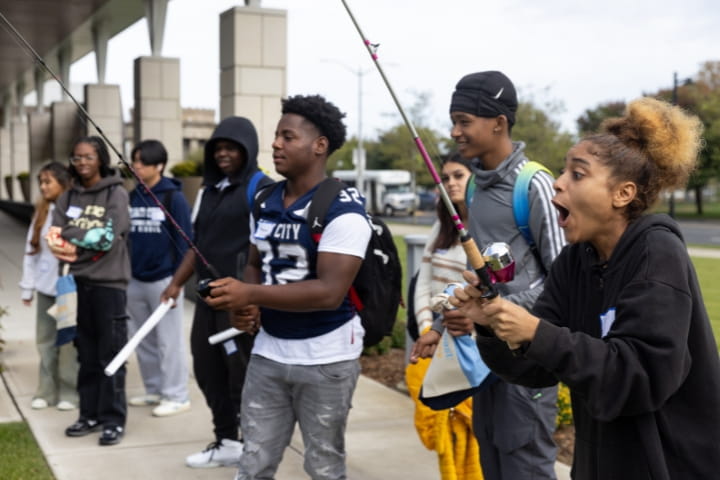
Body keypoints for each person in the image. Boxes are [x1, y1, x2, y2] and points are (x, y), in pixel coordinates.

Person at [450, 97, 720, 479]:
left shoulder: (657, 252)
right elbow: (535, 368)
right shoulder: (576, 260)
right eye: (564, 171)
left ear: (622, 194)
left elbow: (639, 376)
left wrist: (537, 333)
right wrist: (491, 324)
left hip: (670, 464)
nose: (558, 182)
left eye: (577, 174)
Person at [204, 94, 372, 480]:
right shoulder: (264, 199)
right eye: (276, 135)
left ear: (319, 145)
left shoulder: (344, 208)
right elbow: (253, 262)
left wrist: (251, 294)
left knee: (324, 465)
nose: (276, 144)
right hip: (268, 352)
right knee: (254, 461)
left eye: (288, 136)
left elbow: (329, 291)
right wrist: (244, 304)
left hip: (327, 356)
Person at [445, 71, 566, 480]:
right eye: (454, 121)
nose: (455, 131)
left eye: (464, 120)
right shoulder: (475, 188)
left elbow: (564, 285)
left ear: (498, 122)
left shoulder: (536, 185)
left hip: (529, 359)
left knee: (525, 464)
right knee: (491, 458)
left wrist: (496, 311)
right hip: (489, 359)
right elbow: (486, 281)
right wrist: (466, 307)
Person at [161, 116, 274, 468]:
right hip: (209, 299)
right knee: (208, 370)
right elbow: (197, 244)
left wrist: (255, 300)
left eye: (231, 147)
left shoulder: (262, 188)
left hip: (241, 302)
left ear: (248, 149)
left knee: (242, 376)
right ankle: (226, 440)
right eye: (218, 148)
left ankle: (254, 447)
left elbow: (266, 252)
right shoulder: (208, 191)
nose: (223, 154)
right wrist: (177, 283)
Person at [48, 136, 131, 446]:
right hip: (75, 285)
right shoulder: (67, 198)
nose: (81, 162)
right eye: (76, 157)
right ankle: (89, 414)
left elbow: (107, 238)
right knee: (86, 354)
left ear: (101, 159)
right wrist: (83, 236)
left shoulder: (116, 193)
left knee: (111, 355)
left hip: (109, 286)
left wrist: (73, 236)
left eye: (88, 157)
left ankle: (113, 419)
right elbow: (54, 239)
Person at [405, 153, 483, 480]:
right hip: (434, 343)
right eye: (446, 177)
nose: (451, 182)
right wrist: (428, 328)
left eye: (458, 175)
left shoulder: (484, 226)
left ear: (474, 179)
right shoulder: (442, 224)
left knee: (474, 438)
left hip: (471, 348)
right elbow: (423, 281)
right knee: (443, 434)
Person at [126, 139, 193, 417]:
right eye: (134, 161)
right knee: (144, 339)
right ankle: (154, 389)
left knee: (169, 341)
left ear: (159, 165)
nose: (136, 166)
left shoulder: (173, 198)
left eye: (141, 161)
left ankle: (177, 395)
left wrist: (176, 283)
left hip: (164, 281)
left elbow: (186, 241)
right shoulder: (133, 196)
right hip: (134, 279)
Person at [19, 161, 78, 411]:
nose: (43, 187)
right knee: (44, 340)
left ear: (63, 183)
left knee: (66, 343)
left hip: (68, 288)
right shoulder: (41, 213)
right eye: (41, 182)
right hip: (44, 288)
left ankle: (68, 392)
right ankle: (45, 391)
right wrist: (27, 287)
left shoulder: (76, 211)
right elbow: (30, 253)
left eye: (47, 182)